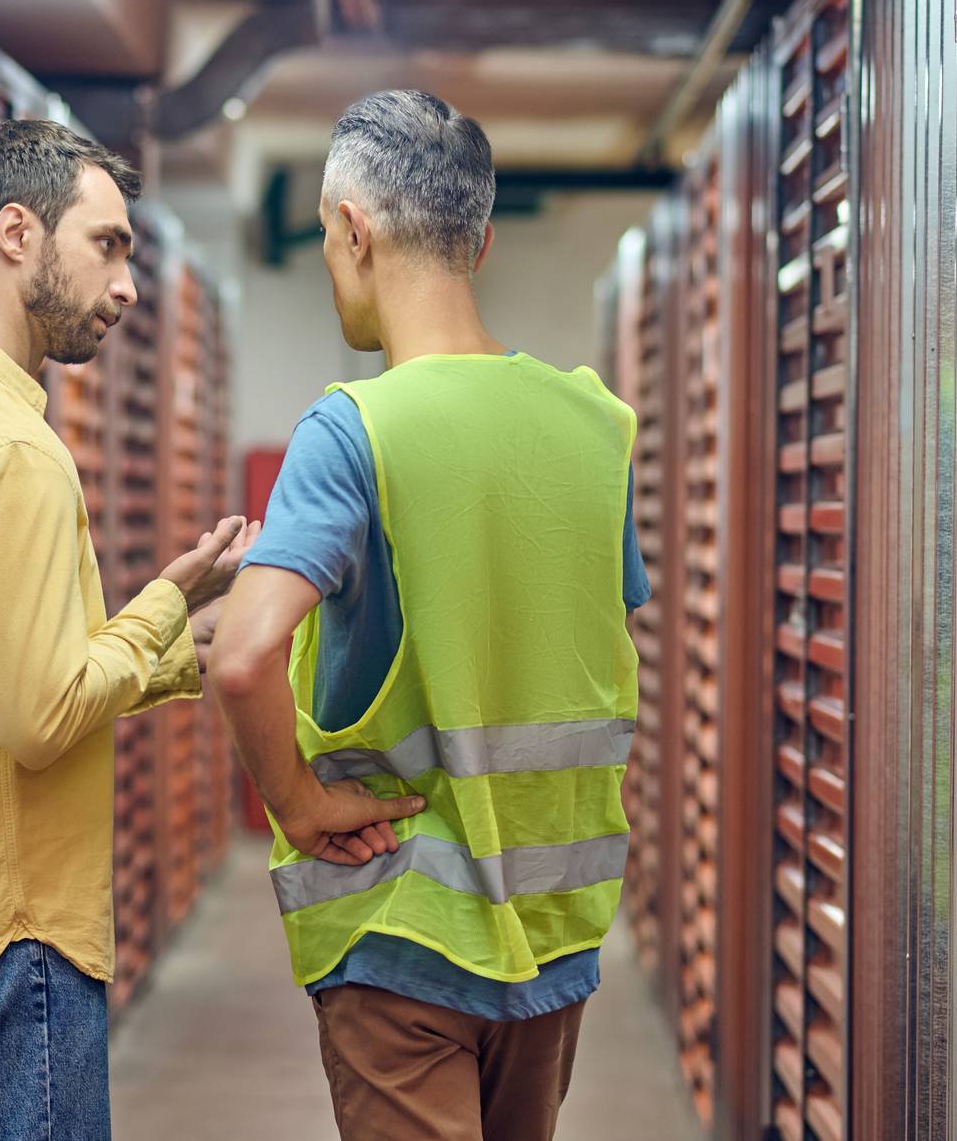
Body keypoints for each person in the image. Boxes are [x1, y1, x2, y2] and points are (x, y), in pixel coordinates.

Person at [0, 119, 323, 1141]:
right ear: (16, 233)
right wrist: (158, 614)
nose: (126, 284)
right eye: (106, 244)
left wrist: (175, 627)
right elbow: (42, 715)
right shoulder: (11, 449)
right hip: (5, 942)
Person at [209, 90, 652, 1141]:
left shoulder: (353, 426)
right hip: (552, 932)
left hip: (401, 927)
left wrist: (297, 802)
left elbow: (242, 653)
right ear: (482, 241)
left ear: (351, 231)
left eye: (325, 239)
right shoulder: (595, 424)